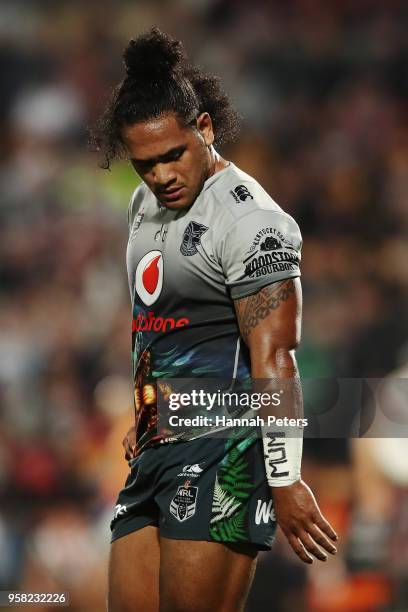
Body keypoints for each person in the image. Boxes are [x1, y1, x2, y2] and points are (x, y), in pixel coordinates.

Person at [91, 27, 338, 612]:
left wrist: (284, 478)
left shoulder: (254, 225)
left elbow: (275, 359)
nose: (161, 176)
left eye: (172, 155)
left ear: (204, 128)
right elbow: (158, 325)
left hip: (223, 451)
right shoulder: (143, 205)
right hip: (157, 446)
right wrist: (147, 409)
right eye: (143, 164)